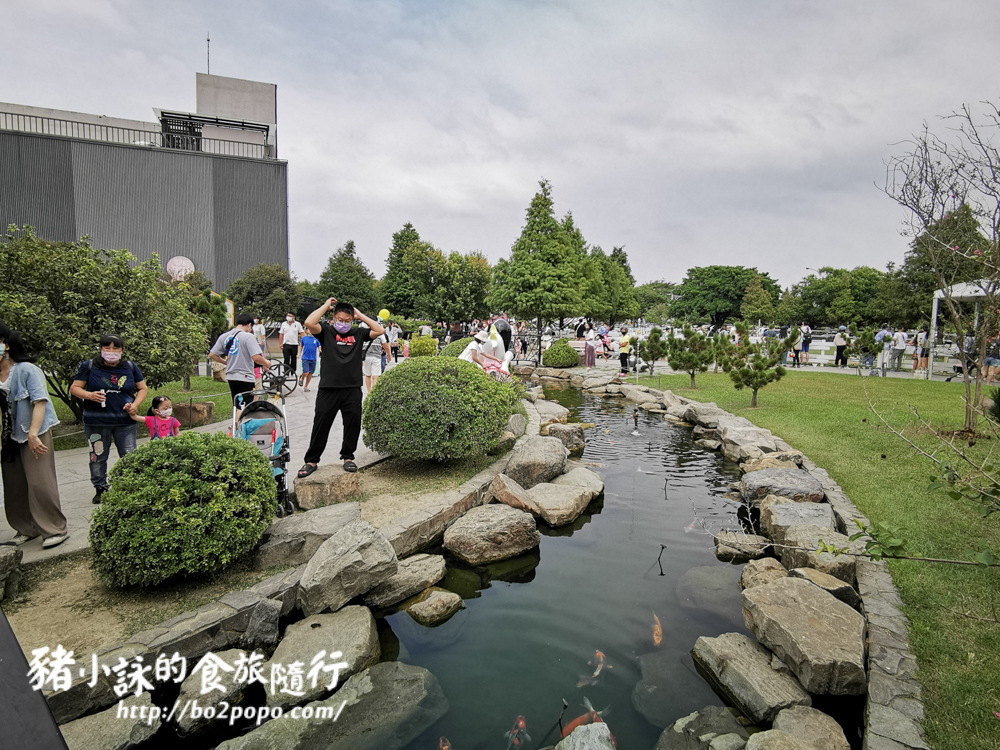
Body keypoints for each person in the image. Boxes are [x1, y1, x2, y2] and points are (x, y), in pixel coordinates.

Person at [0, 324, 69, 548]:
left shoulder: (27, 370)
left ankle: (54, 528)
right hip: (6, 438)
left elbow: (40, 401)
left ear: (5, 345)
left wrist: (33, 433)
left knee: (40, 483)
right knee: (14, 485)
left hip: (34, 432)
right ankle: (26, 528)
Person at [299, 298, 384, 476]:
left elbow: (379, 330)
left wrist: (360, 315)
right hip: (328, 388)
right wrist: (325, 306)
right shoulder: (326, 331)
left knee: (352, 424)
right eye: (340, 320)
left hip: (352, 388)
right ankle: (311, 460)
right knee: (321, 424)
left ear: (352, 320)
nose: (344, 324)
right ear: (334, 318)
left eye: (348, 321)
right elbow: (309, 323)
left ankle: (348, 457)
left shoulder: (358, 333)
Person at [70, 334, 148, 504]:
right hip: (96, 422)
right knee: (97, 456)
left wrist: (135, 405)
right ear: (101, 349)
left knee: (129, 456)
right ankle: (100, 488)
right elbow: (75, 388)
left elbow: (142, 388)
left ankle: (129, 487)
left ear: (122, 350)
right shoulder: (89, 366)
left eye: (115, 348)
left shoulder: (129, 367)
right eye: (107, 347)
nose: (111, 351)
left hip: (125, 422)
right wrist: (89, 395)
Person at [210, 314, 272, 409]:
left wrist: (225, 362)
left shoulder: (224, 336)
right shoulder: (248, 337)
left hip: (231, 376)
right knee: (245, 406)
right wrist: (266, 363)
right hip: (245, 376)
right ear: (249, 325)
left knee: (237, 404)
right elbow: (256, 357)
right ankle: (239, 419)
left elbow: (212, 354)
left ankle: (236, 418)